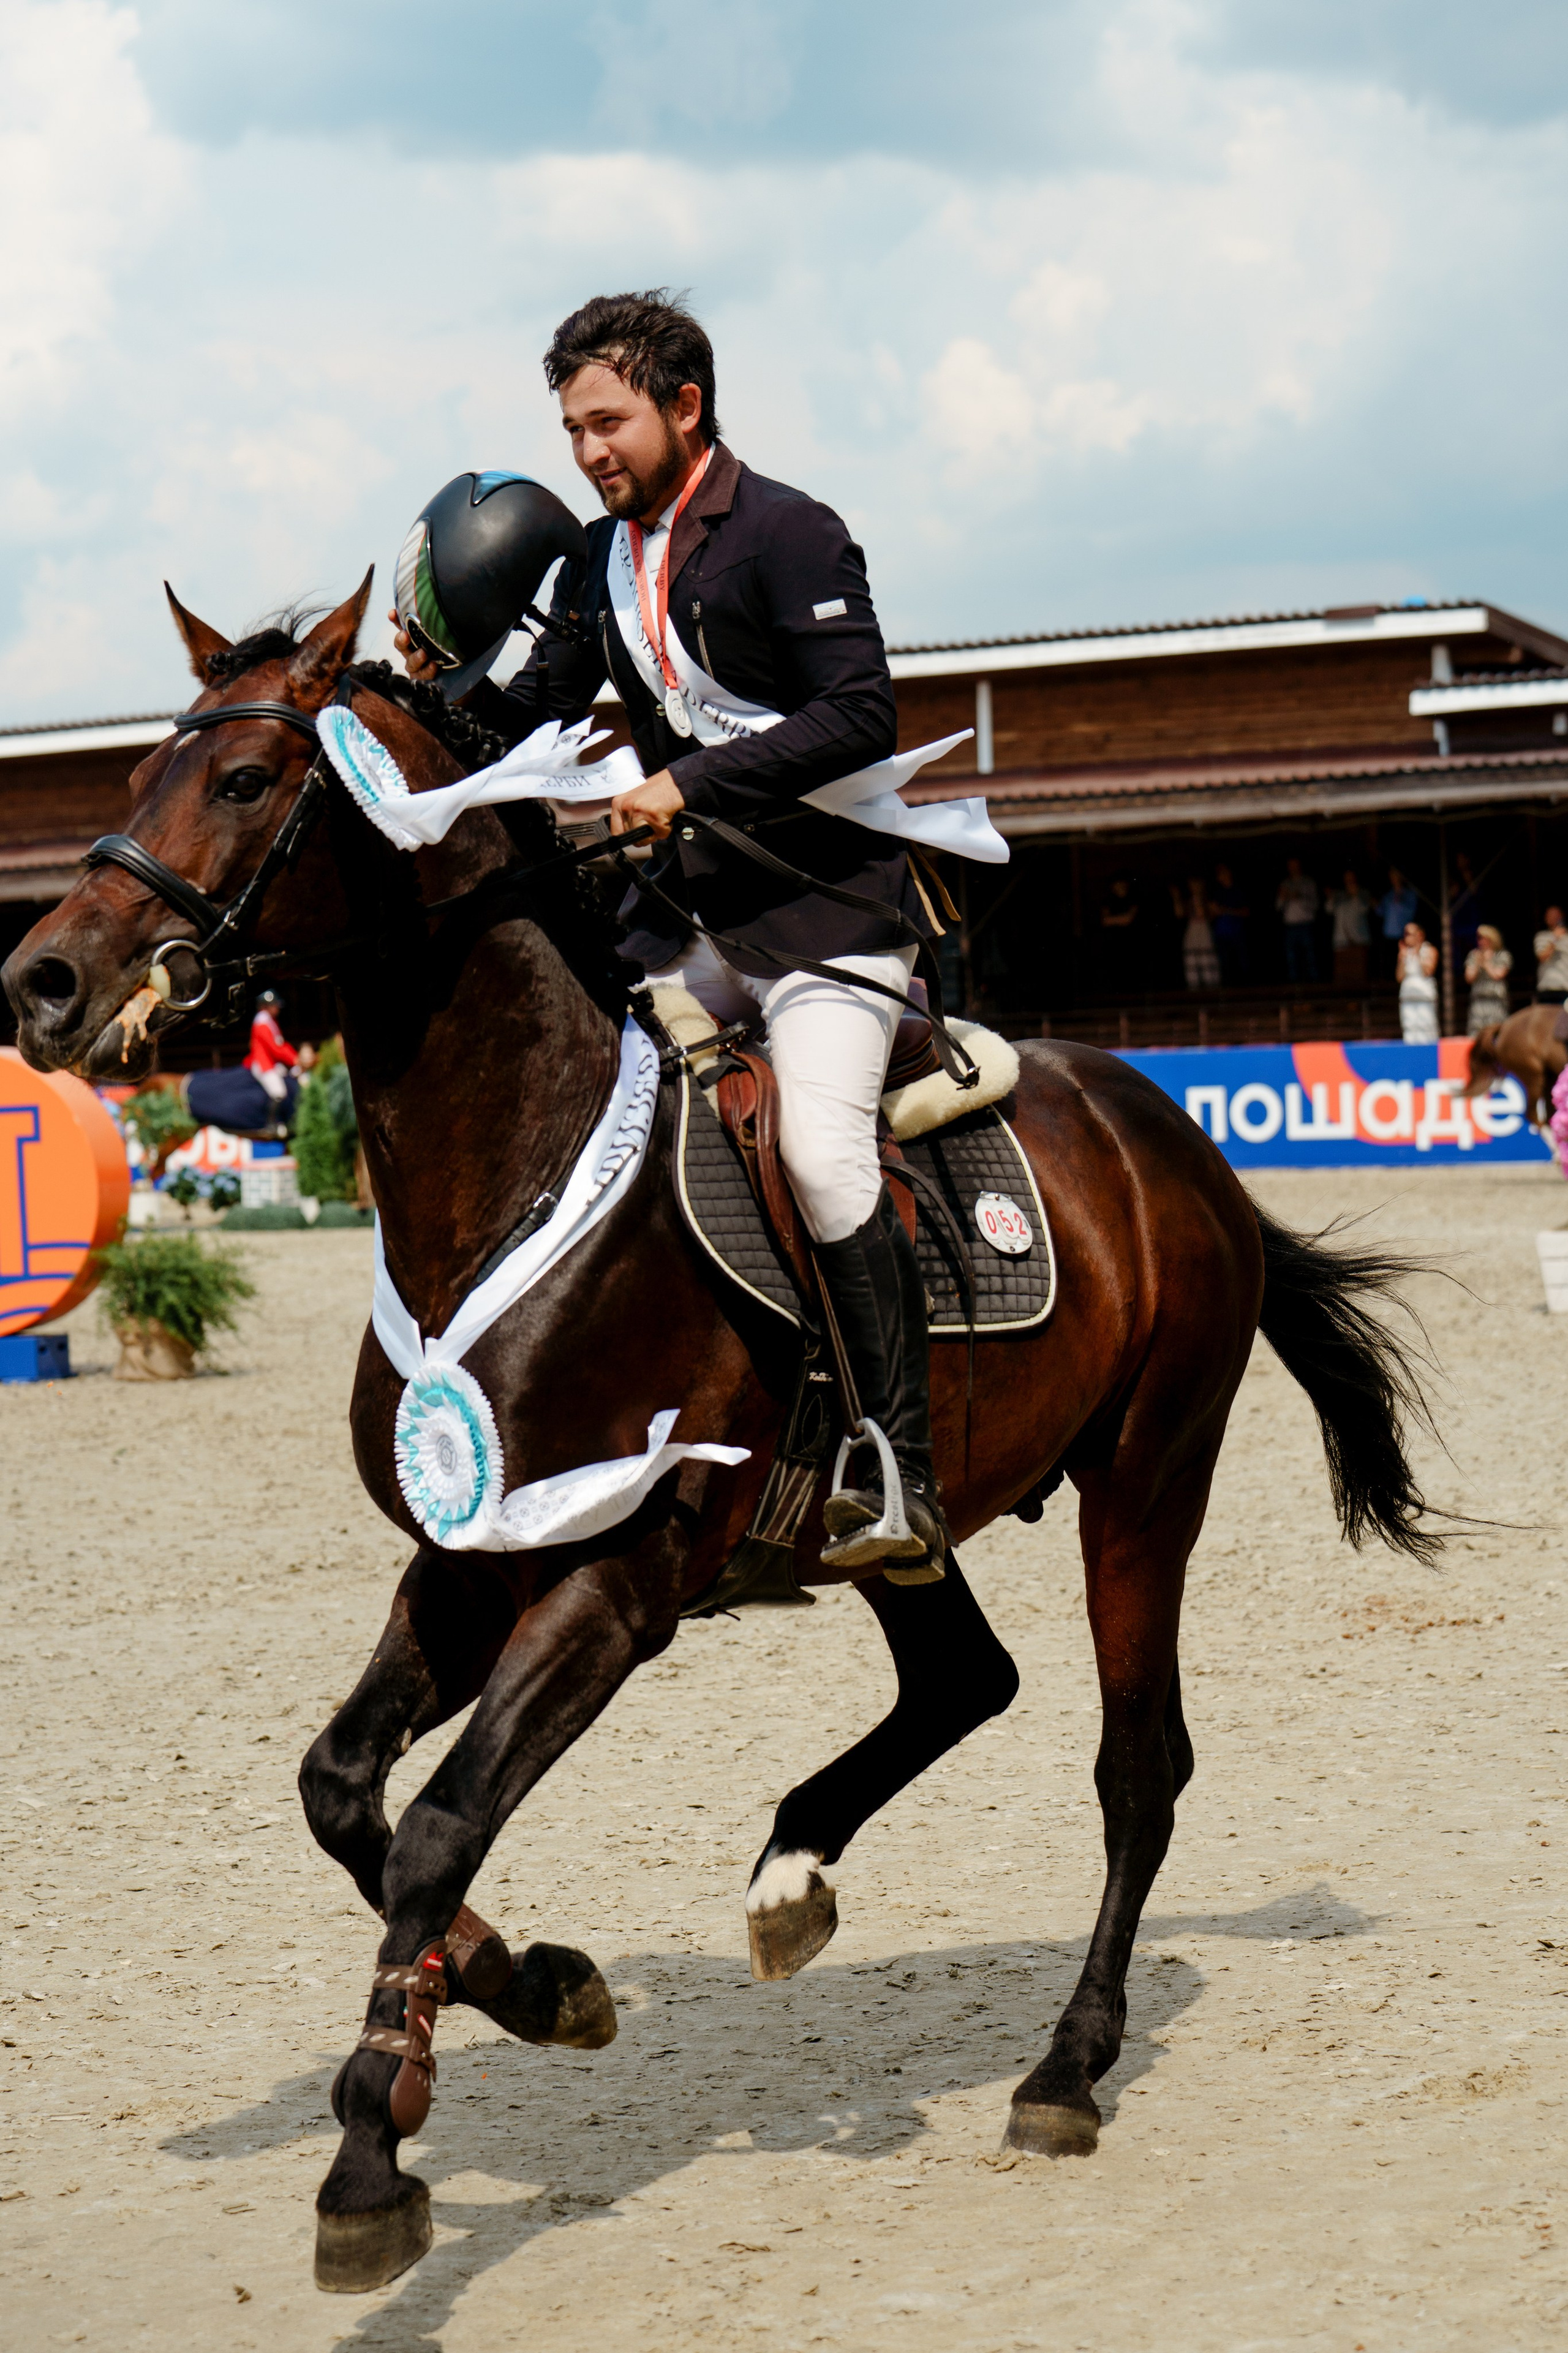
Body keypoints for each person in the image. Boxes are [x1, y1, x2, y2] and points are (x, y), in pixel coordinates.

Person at [391, 290, 960, 1576]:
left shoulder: (791, 531)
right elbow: (528, 719)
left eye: (608, 422)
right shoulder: (599, 558)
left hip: (826, 915)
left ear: (684, 405)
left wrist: (684, 784)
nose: (587, 450)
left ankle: (896, 1467)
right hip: (690, 927)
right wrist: (416, 694)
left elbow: (858, 715)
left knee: (821, 1157)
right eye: (572, 429)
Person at [1170, 876, 1219, 991]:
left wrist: (1200, 901)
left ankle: (1212, 985)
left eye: (1197, 884)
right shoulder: (1189, 901)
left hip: (1203, 929)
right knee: (1191, 957)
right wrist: (1176, 898)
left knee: (1206, 957)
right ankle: (1194, 986)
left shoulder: (1207, 900)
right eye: (1192, 885)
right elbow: (1179, 914)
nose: (1195, 887)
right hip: (1192, 929)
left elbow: (1205, 914)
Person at [1326, 869, 1374, 986]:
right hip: (1341, 940)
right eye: (1347, 878)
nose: (1350, 881)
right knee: (1343, 973)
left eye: (1352, 878)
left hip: (1359, 939)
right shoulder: (1338, 895)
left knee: (1359, 972)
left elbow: (1365, 909)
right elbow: (1329, 909)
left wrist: (1356, 894)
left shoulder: (1363, 893)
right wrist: (1330, 897)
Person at [1275, 856, 1320, 983]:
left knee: (1310, 956)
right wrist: (1283, 898)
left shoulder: (1308, 883)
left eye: (1295, 865)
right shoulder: (1285, 884)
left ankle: (1314, 984)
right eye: (1291, 866)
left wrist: (1299, 897)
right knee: (1291, 958)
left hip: (1306, 924)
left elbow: (1315, 905)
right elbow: (1278, 907)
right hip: (1290, 926)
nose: (1293, 868)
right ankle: (1294, 985)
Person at [1396, 921, 1439, 1044]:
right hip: (1408, 997)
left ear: (1419, 935)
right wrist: (1402, 958)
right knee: (1409, 1028)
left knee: (1426, 1028)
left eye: (1409, 934)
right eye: (1405, 934)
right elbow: (1399, 977)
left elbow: (1428, 971)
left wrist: (1418, 953)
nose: (1406, 937)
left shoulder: (1430, 950)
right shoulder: (1405, 953)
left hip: (1424, 997)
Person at [1464, 926, 1512, 1035]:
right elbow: (1469, 978)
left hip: (1496, 1002)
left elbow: (1498, 975)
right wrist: (1477, 963)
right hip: (1479, 1002)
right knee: (1476, 1033)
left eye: (1484, 938)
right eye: (1479, 938)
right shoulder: (1474, 955)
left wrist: (1486, 963)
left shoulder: (1502, 955)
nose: (1481, 941)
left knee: (1496, 1033)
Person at [1210, 863, 1249, 986]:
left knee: (1242, 962)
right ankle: (1227, 987)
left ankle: (1246, 987)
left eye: (1224, 873)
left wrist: (1227, 910)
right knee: (1224, 963)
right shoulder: (1217, 893)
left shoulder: (1238, 891)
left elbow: (1246, 912)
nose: (1222, 876)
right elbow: (1212, 914)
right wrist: (1214, 911)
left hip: (1237, 932)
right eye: (1220, 874)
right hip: (1221, 933)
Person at [1377, 867, 1418, 980]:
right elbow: (1380, 911)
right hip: (1388, 935)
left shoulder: (1410, 894)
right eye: (1392, 876)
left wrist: (1400, 901)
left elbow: (1411, 912)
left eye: (1396, 875)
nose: (1394, 878)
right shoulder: (1388, 896)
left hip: (1403, 935)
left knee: (1403, 963)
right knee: (1389, 964)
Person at [1536, 906, 1568, 1007]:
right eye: (1550, 916)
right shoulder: (1542, 936)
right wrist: (1555, 938)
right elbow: (1542, 957)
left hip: (1565, 988)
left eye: (1556, 916)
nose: (1554, 918)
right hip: (1547, 988)